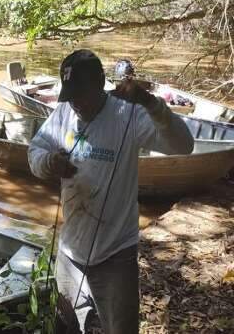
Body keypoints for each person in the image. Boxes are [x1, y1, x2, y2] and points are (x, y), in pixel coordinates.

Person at [28, 50, 194, 334]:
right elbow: (35, 152)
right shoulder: (65, 111)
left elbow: (184, 145)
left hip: (116, 254)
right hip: (70, 250)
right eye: (70, 95)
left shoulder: (127, 113)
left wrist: (151, 104)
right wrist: (49, 163)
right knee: (65, 325)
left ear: (100, 83)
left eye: (81, 93)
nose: (76, 103)